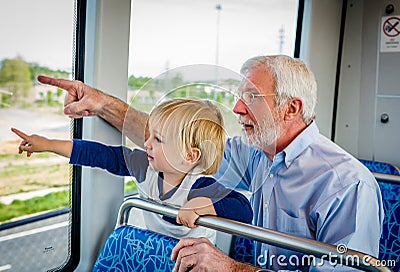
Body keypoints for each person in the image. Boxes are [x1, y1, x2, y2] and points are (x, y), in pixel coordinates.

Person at [36, 55, 384, 271]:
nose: (236, 109)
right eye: (238, 97)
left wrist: (231, 269)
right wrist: (102, 105)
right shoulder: (256, 152)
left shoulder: (346, 184)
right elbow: (178, 145)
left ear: (290, 109)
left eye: (251, 98)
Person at [12, 98, 253, 243]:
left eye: (158, 140)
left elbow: (243, 208)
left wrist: (203, 205)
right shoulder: (144, 166)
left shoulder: (199, 187)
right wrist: (48, 145)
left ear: (190, 155)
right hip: (152, 253)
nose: (147, 144)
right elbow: (101, 155)